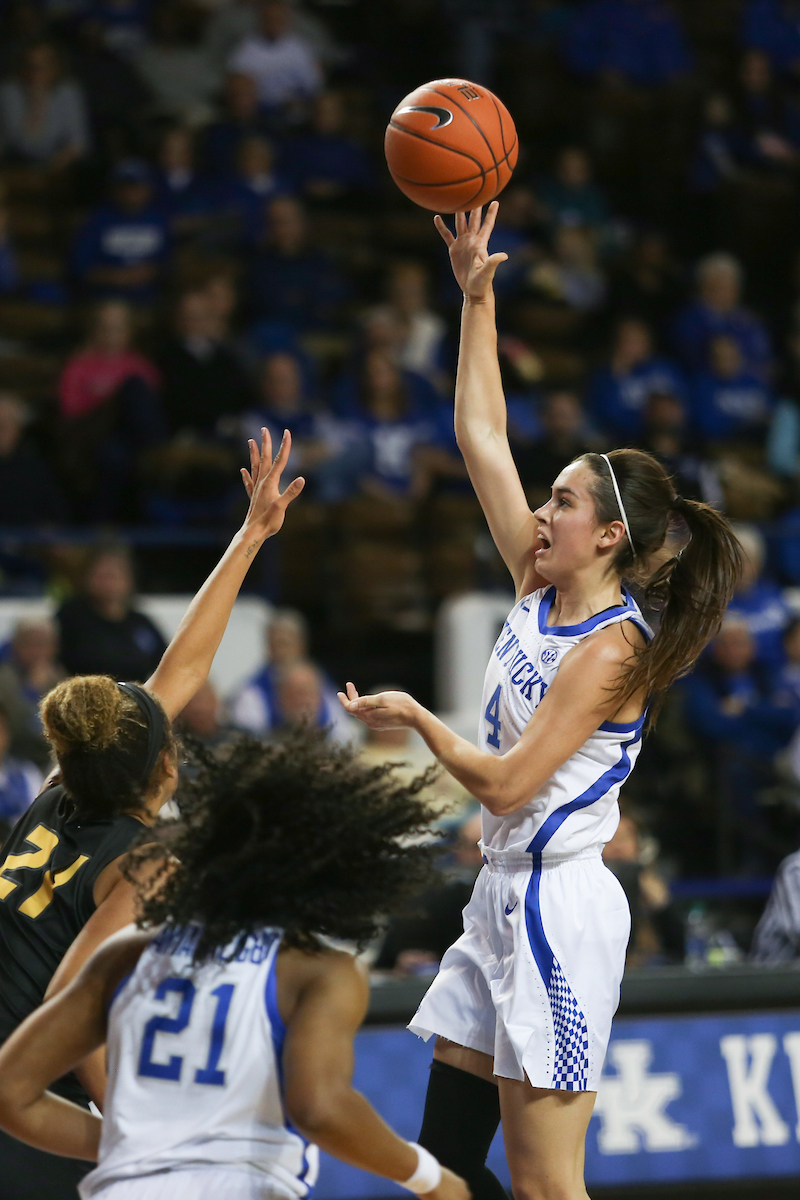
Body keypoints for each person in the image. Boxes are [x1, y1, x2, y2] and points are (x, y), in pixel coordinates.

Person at [339, 204, 742, 1200]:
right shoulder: (536, 575)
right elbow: (480, 431)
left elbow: (512, 785)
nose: (542, 511)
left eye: (562, 501)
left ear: (607, 537)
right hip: (499, 893)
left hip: (560, 904)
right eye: (549, 496)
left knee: (545, 1184)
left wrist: (420, 718)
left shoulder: (610, 650)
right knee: (445, 1164)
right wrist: (475, 296)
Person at [0, 429, 304, 1197]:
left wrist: (250, 536)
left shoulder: (61, 788)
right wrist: (132, 1133)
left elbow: (184, 667)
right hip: (22, 1093)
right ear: (166, 765)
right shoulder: (142, 861)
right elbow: (74, 1001)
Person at [0, 727, 468, 1200]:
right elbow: (320, 1108)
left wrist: (133, 1147)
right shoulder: (319, 971)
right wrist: (429, 1177)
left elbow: (9, 1092)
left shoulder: (124, 954)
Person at [57, 546, 167, 682]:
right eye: (101, 576)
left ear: (129, 580)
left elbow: (165, 662)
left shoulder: (140, 623)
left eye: (113, 576)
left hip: (134, 692)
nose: (107, 583)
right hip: (84, 692)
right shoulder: (72, 616)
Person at [71, 160, 171, 305]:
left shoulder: (159, 220)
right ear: (114, 190)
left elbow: (170, 262)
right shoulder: (97, 220)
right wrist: (116, 277)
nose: (131, 193)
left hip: (152, 296)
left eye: (136, 186)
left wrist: (151, 272)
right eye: (125, 187)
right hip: (106, 297)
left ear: (149, 189)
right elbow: (80, 267)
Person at [0, 41, 90, 170]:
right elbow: (15, 141)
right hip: (12, 167)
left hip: (55, 169)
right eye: (30, 66)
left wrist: (48, 170)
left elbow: (79, 143)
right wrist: (34, 102)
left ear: (56, 68)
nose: (34, 73)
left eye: (41, 67)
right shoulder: (8, 92)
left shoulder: (68, 92)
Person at [0, 618, 64, 770]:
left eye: (44, 644)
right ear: (16, 646)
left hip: (55, 760)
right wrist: (33, 691)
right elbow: (16, 728)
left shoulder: (59, 678)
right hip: (16, 758)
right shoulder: (5, 679)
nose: (38, 651)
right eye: (31, 644)